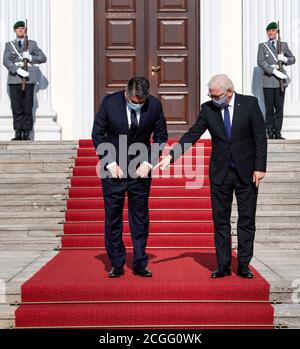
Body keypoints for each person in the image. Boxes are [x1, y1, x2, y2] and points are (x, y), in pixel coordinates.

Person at [157, 74, 267, 279]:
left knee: (246, 220)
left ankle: (244, 264)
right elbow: (193, 134)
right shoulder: (208, 109)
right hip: (221, 173)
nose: (212, 98)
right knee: (220, 221)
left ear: (229, 92)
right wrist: (171, 156)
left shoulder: (250, 104)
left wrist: (260, 167)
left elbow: (260, 137)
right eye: (210, 94)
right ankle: (223, 265)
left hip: (247, 172)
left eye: (215, 95)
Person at [92, 77, 168, 278]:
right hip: (113, 170)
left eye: (141, 102)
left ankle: (140, 262)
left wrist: (149, 162)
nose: (137, 104)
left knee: (140, 218)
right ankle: (116, 263)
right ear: (126, 94)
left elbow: (160, 137)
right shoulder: (110, 103)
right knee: (113, 217)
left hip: (140, 171)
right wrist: (109, 161)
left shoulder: (155, 106)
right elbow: (98, 134)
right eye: (133, 101)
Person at [3, 20, 47, 141]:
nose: (20, 30)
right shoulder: (9, 45)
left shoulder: (32, 44)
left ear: (25, 30)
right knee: (16, 106)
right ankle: (18, 132)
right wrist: (17, 70)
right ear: (15, 31)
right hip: (14, 79)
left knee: (27, 106)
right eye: (18, 29)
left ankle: (26, 132)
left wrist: (31, 57)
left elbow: (43, 58)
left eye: (22, 28)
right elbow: (6, 61)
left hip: (28, 80)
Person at [257, 22, 296, 140]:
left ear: (276, 32)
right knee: (269, 108)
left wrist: (284, 59)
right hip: (268, 80)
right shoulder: (263, 46)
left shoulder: (283, 45)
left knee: (279, 107)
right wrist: (272, 71)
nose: (270, 33)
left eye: (273, 30)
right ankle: (269, 131)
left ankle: (277, 132)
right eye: (268, 31)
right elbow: (260, 61)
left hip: (280, 82)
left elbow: (293, 59)